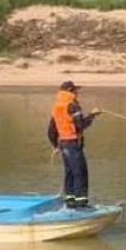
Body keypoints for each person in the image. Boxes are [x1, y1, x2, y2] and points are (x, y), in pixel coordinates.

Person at [47, 81, 101, 209]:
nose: (77, 94)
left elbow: (51, 130)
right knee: (80, 172)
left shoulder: (57, 106)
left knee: (70, 172)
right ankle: (81, 203)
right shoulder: (72, 105)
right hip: (73, 144)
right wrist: (93, 115)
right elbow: (81, 125)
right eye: (76, 91)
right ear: (70, 91)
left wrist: (55, 145)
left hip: (63, 144)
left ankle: (70, 201)